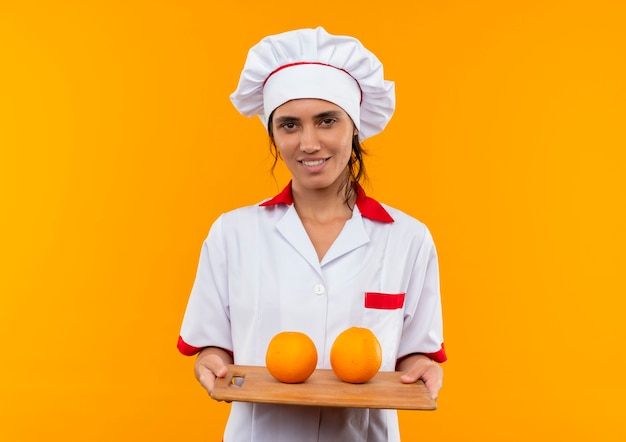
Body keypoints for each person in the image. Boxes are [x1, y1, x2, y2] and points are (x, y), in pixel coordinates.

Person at [177, 26, 446, 441]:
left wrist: (422, 368)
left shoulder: (407, 239)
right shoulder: (232, 234)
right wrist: (209, 362)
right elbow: (213, 345)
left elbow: (415, 354)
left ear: (354, 126)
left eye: (327, 121)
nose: (309, 142)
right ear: (273, 136)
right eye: (289, 125)